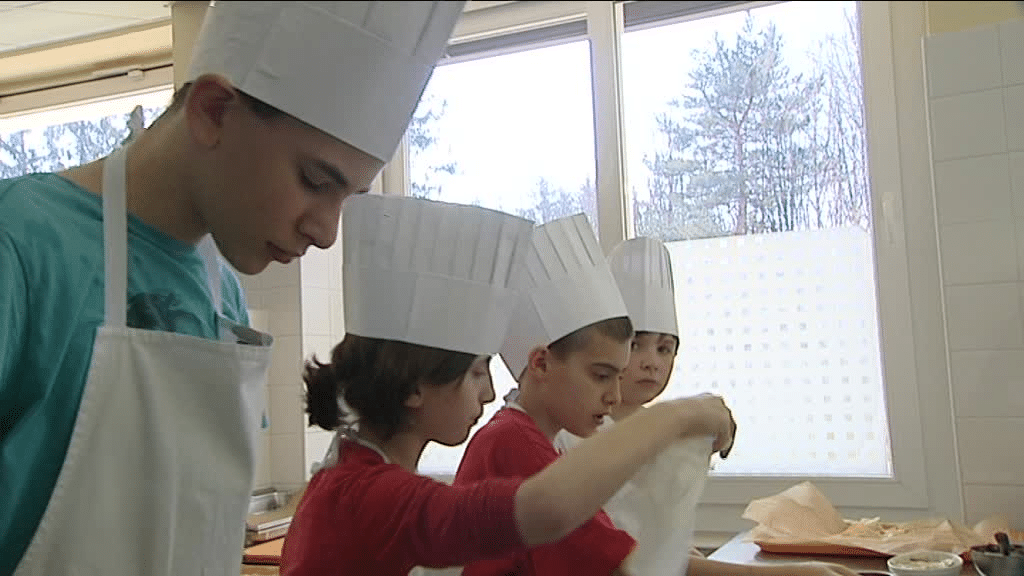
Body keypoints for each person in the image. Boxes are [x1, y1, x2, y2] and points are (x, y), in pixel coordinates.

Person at [0, 2, 465, 574]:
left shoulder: (221, 291)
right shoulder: (21, 245)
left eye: (349, 199)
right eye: (315, 181)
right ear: (213, 111)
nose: (326, 232)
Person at [279, 197, 737, 576]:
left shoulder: (354, 475)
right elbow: (547, 509)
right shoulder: (370, 494)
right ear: (414, 387)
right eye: (477, 372)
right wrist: (683, 416)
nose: (488, 393)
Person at [553, 236, 861, 576]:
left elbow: (650, 536)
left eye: (664, 348)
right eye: (637, 345)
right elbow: (623, 556)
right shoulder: (575, 437)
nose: (651, 362)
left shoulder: (664, 433)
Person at [452, 214, 735, 576]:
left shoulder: (533, 438)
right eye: (601, 376)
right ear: (541, 364)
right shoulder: (512, 443)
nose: (614, 396)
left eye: (619, 376)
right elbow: (623, 565)